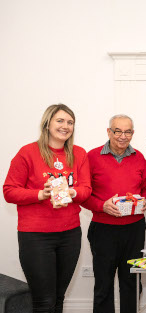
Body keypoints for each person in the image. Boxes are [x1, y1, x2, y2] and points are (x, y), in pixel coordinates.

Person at [3, 104, 92, 312]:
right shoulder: (28, 152)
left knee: (59, 298)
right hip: (36, 237)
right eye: (60, 121)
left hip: (69, 235)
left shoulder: (79, 154)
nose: (65, 126)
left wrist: (72, 192)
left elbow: (86, 190)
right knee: (43, 301)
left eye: (70, 122)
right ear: (47, 123)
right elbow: (9, 191)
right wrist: (39, 194)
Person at [82, 114, 146, 313]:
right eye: (118, 131)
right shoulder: (92, 157)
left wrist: (143, 201)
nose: (123, 136)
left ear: (133, 133)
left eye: (127, 131)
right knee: (103, 283)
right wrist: (101, 206)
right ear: (108, 132)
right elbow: (83, 194)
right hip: (103, 229)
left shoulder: (139, 157)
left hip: (134, 229)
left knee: (131, 281)